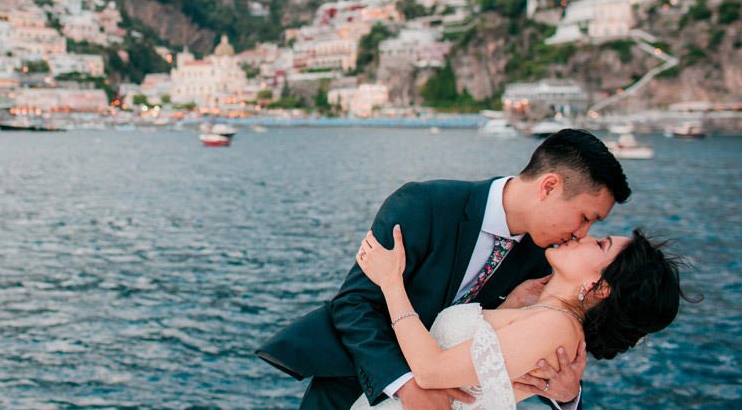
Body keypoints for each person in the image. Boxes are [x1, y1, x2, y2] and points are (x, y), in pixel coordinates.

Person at [256, 129, 630, 410]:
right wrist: (406, 385)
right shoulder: (424, 204)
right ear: (549, 186)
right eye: (585, 217)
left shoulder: (547, 260)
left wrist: (567, 397)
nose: (582, 234)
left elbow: (529, 353)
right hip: (351, 391)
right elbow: (354, 305)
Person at [351, 224, 683, 410]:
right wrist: (510, 306)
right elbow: (483, 369)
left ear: (600, 287)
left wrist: (391, 282)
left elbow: (432, 371)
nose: (584, 235)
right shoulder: (545, 316)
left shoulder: (557, 328)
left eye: (599, 244)